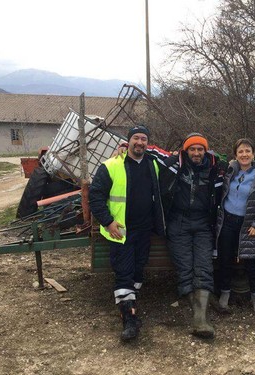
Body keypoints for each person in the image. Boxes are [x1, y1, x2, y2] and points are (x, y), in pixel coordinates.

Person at [89, 125, 165, 342]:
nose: (139, 142)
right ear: (128, 141)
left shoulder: (153, 164)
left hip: (144, 230)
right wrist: (108, 222)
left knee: (138, 270)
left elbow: (175, 157)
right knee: (124, 271)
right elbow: (95, 197)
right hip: (120, 231)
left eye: (143, 139)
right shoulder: (111, 166)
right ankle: (129, 321)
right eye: (135, 138)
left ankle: (131, 301)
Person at [159, 132, 226, 338]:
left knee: (204, 266)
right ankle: (199, 317)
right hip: (178, 222)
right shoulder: (173, 164)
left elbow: (244, 165)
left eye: (200, 149)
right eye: (192, 149)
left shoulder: (216, 168)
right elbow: (149, 152)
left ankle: (202, 318)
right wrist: (125, 145)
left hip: (204, 223)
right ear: (185, 150)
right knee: (185, 267)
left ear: (206, 151)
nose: (196, 153)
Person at [215, 138, 255, 315]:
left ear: (253, 154)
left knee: (251, 262)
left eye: (248, 151)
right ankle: (225, 293)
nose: (244, 154)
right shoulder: (229, 171)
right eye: (241, 151)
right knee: (225, 260)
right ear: (235, 155)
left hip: (248, 224)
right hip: (227, 222)